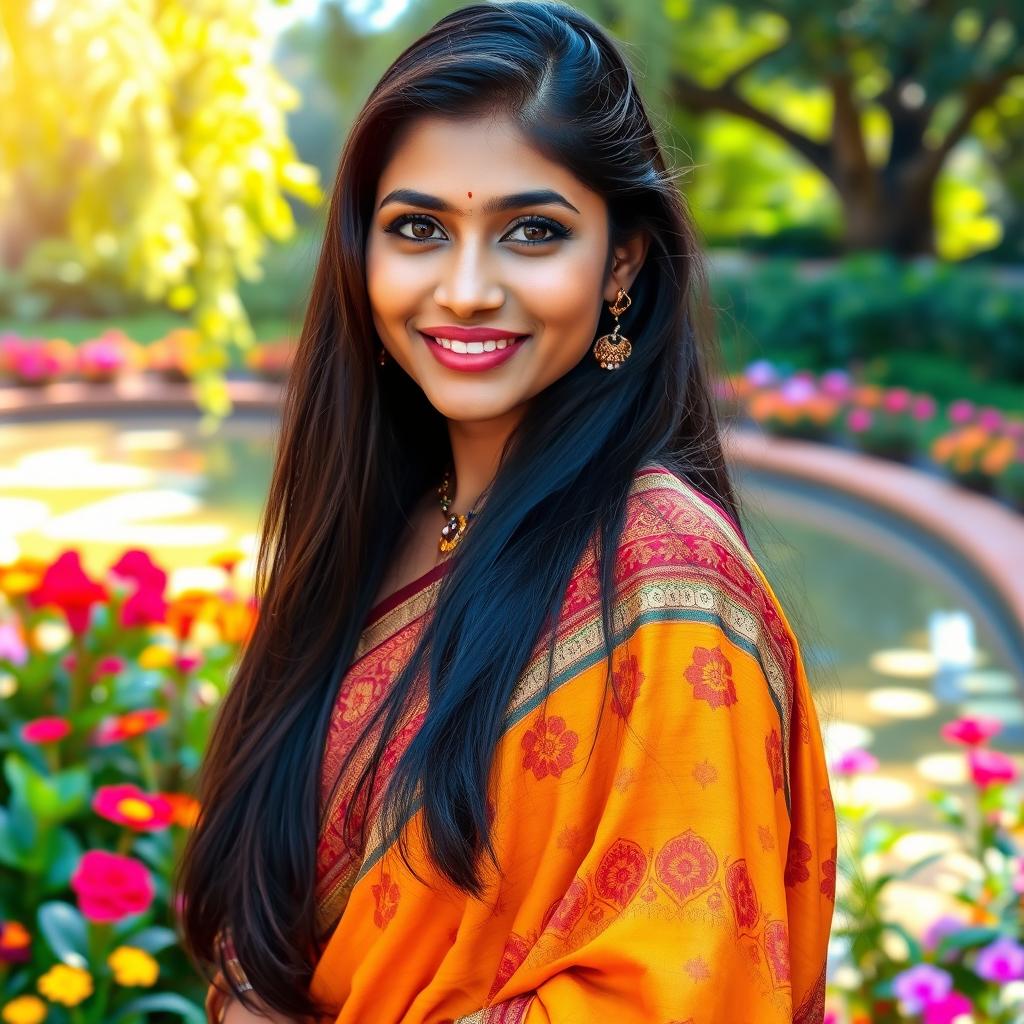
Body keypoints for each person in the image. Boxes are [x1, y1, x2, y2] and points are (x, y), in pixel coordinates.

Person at [178, 2, 838, 1021]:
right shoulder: (368, 532)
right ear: (363, 253)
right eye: (418, 229)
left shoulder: (667, 591)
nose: (467, 287)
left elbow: (680, 992)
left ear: (620, 262)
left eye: (533, 231)